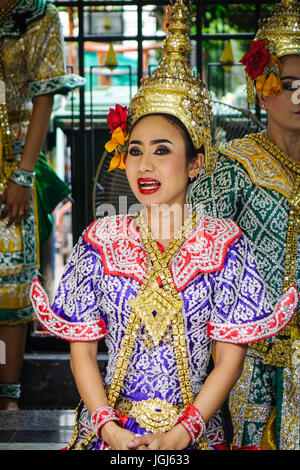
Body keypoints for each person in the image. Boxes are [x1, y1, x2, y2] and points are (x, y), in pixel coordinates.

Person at [30, 0, 298, 451]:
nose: (145, 164)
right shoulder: (101, 239)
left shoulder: (223, 243)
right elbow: (82, 350)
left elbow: (229, 357)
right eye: (135, 150)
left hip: (194, 434)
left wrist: (183, 432)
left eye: (161, 150)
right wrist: (107, 428)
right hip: (109, 435)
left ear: (195, 163)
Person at [188, 0, 300, 450]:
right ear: (261, 86)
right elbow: (195, 261)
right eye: (287, 83)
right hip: (247, 354)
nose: (298, 97)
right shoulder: (233, 166)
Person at [0, 0, 85, 410]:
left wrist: (23, 173)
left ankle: (7, 394)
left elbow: (44, 98)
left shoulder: (39, 15)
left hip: (13, 163)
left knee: (11, 284)